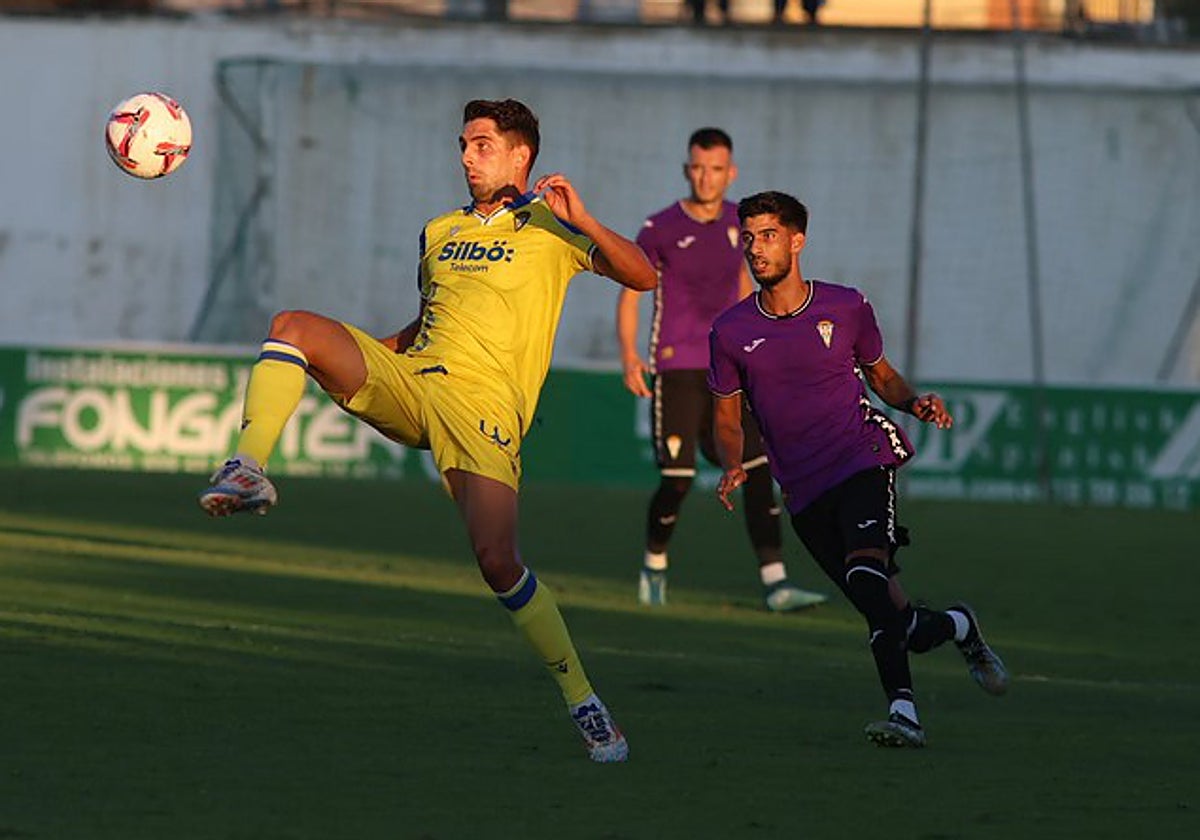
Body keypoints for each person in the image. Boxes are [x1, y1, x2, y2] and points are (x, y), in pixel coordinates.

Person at [198, 99, 658, 763]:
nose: (467, 157)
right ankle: (246, 468)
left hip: (484, 410)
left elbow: (644, 275)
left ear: (519, 155)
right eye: (464, 145)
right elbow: (425, 322)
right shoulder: (439, 230)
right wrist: (355, 361)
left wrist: (581, 218)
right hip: (417, 380)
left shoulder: (552, 229)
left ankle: (583, 699)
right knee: (293, 326)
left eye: (481, 145)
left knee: (498, 562)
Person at [711, 191, 1008, 747]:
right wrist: (732, 463)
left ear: (797, 241)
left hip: (862, 457)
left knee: (864, 576)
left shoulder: (845, 307)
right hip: (802, 491)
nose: (756, 248)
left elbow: (882, 376)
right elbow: (727, 419)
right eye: (748, 237)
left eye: (768, 235)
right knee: (902, 624)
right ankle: (961, 625)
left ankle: (905, 715)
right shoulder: (730, 331)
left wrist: (915, 401)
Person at [617, 128, 827, 612]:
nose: (705, 176)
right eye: (697, 167)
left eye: (715, 168)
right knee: (678, 479)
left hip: (730, 371)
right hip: (676, 369)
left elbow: (748, 289)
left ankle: (776, 584)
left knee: (756, 469)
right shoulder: (660, 228)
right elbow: (631, 290)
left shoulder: (744, 224)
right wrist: (629, 353)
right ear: (687, 169)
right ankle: (655, 563)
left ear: (730, 173)